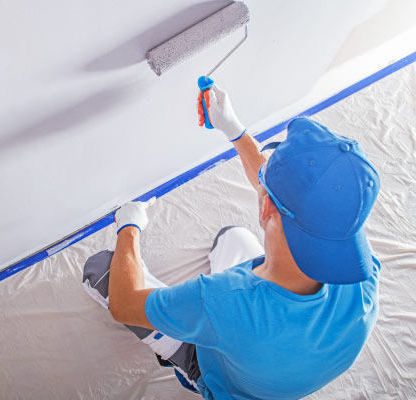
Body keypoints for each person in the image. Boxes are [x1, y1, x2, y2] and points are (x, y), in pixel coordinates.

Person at [82, 85, 381, 399]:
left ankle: (187, 364)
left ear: (264, 207)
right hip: (282, 369)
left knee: (102, 269)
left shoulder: (222, 299)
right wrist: (234, 130)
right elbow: (281, 196)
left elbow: (124, 306)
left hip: (226, 380)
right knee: (232, 238)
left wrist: (129, 226)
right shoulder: (360, 268)